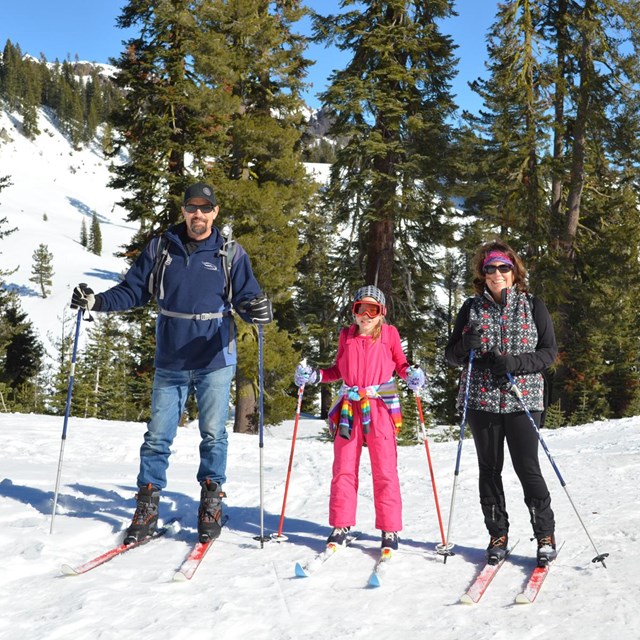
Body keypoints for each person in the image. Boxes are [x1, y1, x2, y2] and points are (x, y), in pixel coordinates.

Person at [70, 182, 273, 544]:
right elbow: (133, 289)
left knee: (213, 434)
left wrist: (257, 310)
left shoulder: (230, 252)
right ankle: (147, 506)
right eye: (192, 207)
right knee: (157, 436)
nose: (198, 214)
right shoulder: (161, 248)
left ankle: (211, 502)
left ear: (215, 211)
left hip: (215, 356)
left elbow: (246, 298)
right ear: (183, 211)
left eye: (205, 208)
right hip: (172, 356)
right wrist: (96, 302)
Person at [445, 239, 558, 566]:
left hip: (523, 397)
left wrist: (514, 362)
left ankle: (545, 534)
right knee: (489, 468)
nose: (496, 273)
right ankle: (498, 533)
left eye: (503, 267)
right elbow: (451, 356)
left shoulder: (532, 304)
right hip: (482, 399)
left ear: (513, 271)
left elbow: (548, 353)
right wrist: (465, 344)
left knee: (527, 467)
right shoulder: (471, 308)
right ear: (482, 272)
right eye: (490, 267)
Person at [294, 285, 425, 551]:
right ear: (353, 312)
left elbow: (400, 364)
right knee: (343, 467)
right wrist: (314, 376)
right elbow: (336, 370)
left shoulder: (389, 334)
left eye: (372, 309)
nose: (365, 315)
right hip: (349, 408)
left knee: (385, 469)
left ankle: (389, 529)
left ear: (382, 313)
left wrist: (411, 375)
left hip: (379, 407)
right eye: (359, 309)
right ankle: (341, 524)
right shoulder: (347, 336)